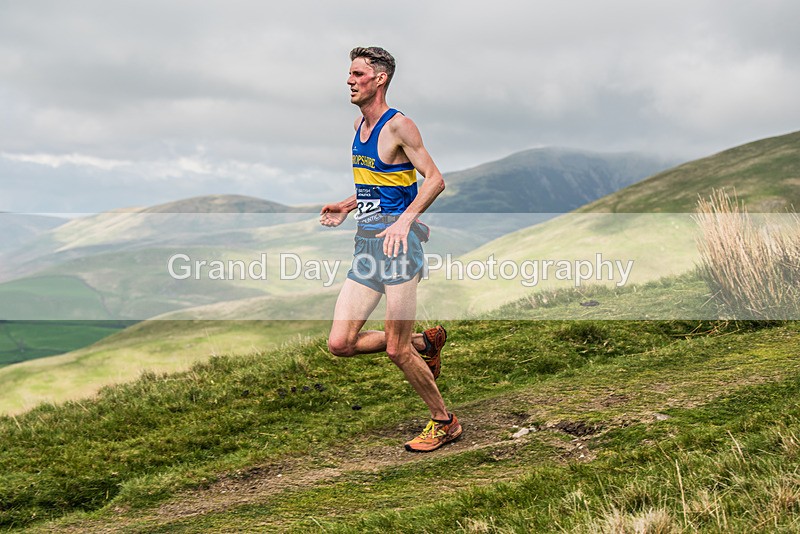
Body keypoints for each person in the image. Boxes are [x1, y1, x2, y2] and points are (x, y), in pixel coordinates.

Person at [320, 46, 461, 452]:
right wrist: (347, 205)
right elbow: (377, 182)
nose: (349, 80)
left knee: (396, 350)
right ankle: (426, 344)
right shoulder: (358, 126)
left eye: (357, 73)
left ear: (379, 79)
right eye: (349, 74)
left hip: (400, 251)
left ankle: (444, 421)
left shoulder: (400, 126)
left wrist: (405, 220)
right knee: (340, 344)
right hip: (366, 248)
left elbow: (434, 179)